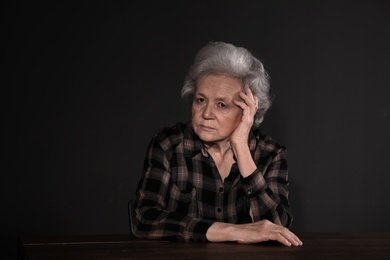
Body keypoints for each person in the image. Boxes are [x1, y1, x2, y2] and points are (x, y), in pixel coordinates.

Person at [132, 41, 302, 246]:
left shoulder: (270, 154)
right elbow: (143, 219)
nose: (206, 114)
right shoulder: (168, 145)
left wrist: (241, 147)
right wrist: (233, 231)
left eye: (222, 105)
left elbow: (277, 229)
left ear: (248, 110)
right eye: (201, 100)